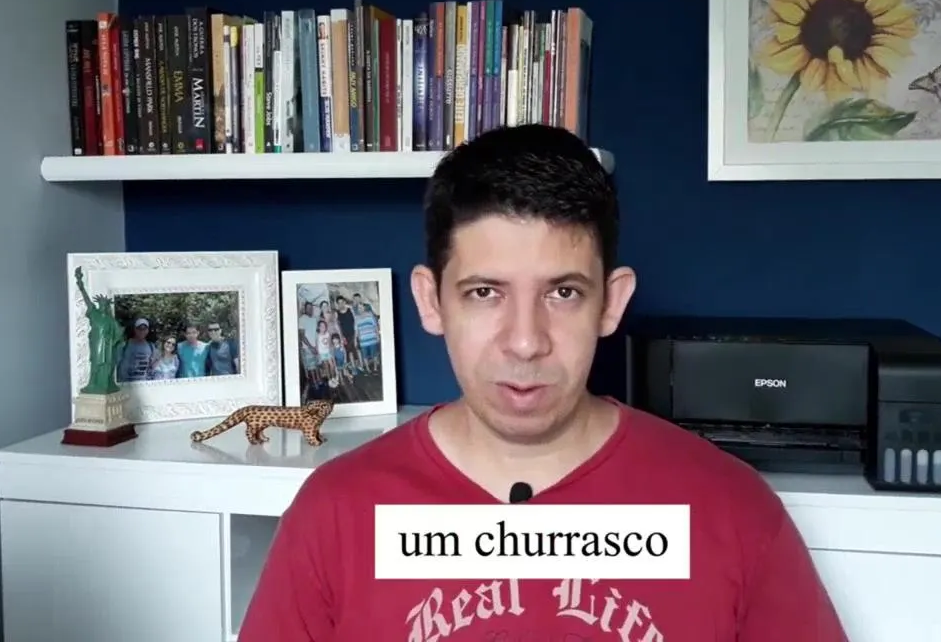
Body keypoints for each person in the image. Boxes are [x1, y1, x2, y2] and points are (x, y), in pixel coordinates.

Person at [238, 124, 847, 641]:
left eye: (563, 293)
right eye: (485, 292)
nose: (526, 341)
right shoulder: (335, 514)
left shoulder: (732, 510)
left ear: (611, 302)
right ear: (431, 300)